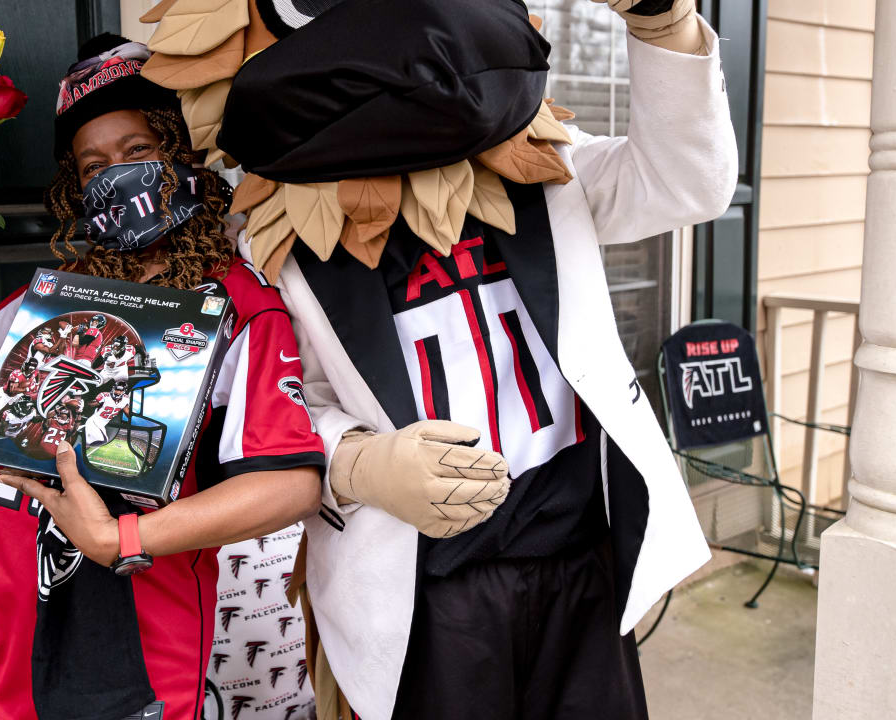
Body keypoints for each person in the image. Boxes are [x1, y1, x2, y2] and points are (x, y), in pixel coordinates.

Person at [136, 0, 735, 718]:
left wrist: (663, 26)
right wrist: (359, 463)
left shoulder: (549, 170)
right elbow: (292, 401)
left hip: (578, 547)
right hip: (422, 577)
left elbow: (683, 182)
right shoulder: (272, 238)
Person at [0, 33, 324, 720]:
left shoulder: (240, 306)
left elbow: (290, 484)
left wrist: (125, 539)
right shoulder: (56, 293)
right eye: (93, 165)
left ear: (182, 157)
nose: (114, 174)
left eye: (137, 152)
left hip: (127, 656)